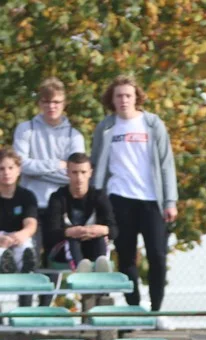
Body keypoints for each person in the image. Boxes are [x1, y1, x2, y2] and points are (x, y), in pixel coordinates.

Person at [90, 75, 178, 314]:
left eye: (128, 95)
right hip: (119, 200)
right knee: (126, 257)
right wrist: (96, 201)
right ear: (112, 99)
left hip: (152, 201)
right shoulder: (106, 127)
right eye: (119, 95)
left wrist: (170, 201)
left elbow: (166, 163)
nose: (124, 100)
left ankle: (156, 310)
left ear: (136, 97)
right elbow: (96, 164)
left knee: (157, 256)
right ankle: (134, 309)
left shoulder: (152, 123)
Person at [13, 78, 86, 268]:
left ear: (63, 103)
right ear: (39, 103)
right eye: (46, 101)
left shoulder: (74, 135)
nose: (51, 106)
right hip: (31, 203)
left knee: (55, 259)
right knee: (29, 257)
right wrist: (57, 164)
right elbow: (21, 166)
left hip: (60, 205)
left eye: (56, 102)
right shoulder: (25, 129)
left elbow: (74, 173)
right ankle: (26, 298)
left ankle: (47, 299)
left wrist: (37, 170)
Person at [44, 153, 115, 272]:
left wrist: (100, 230)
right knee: (72, 238)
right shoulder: (57, 198)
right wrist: (72, 232)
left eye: (83, 172)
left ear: (90, 173)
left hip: (93, 245)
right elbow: (51, 233)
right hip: (65, 249)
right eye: (74, 172)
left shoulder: (99, 196)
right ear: (67, 173)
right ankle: (79, 268)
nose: (79, 178)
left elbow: (114, 229)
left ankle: (102, 265)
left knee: (101, 237)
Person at [0, 148, 39, 274]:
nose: (6, 173)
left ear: (19, 170)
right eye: (1, 169)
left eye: (11, 168)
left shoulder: (27, 196)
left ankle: (27, 274)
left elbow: (31, 224)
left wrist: (22, 234)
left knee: (25, 245)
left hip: (18, 237)